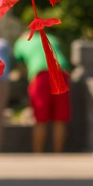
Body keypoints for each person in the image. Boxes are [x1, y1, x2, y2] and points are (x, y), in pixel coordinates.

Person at [14, 21, 72, 153]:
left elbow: (20, 65)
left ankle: (38, 154)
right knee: (60, 119)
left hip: (41, 75)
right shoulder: (51, 38)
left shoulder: (21, 42)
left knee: (40, 119)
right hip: (61, 73)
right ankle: (58, 154)